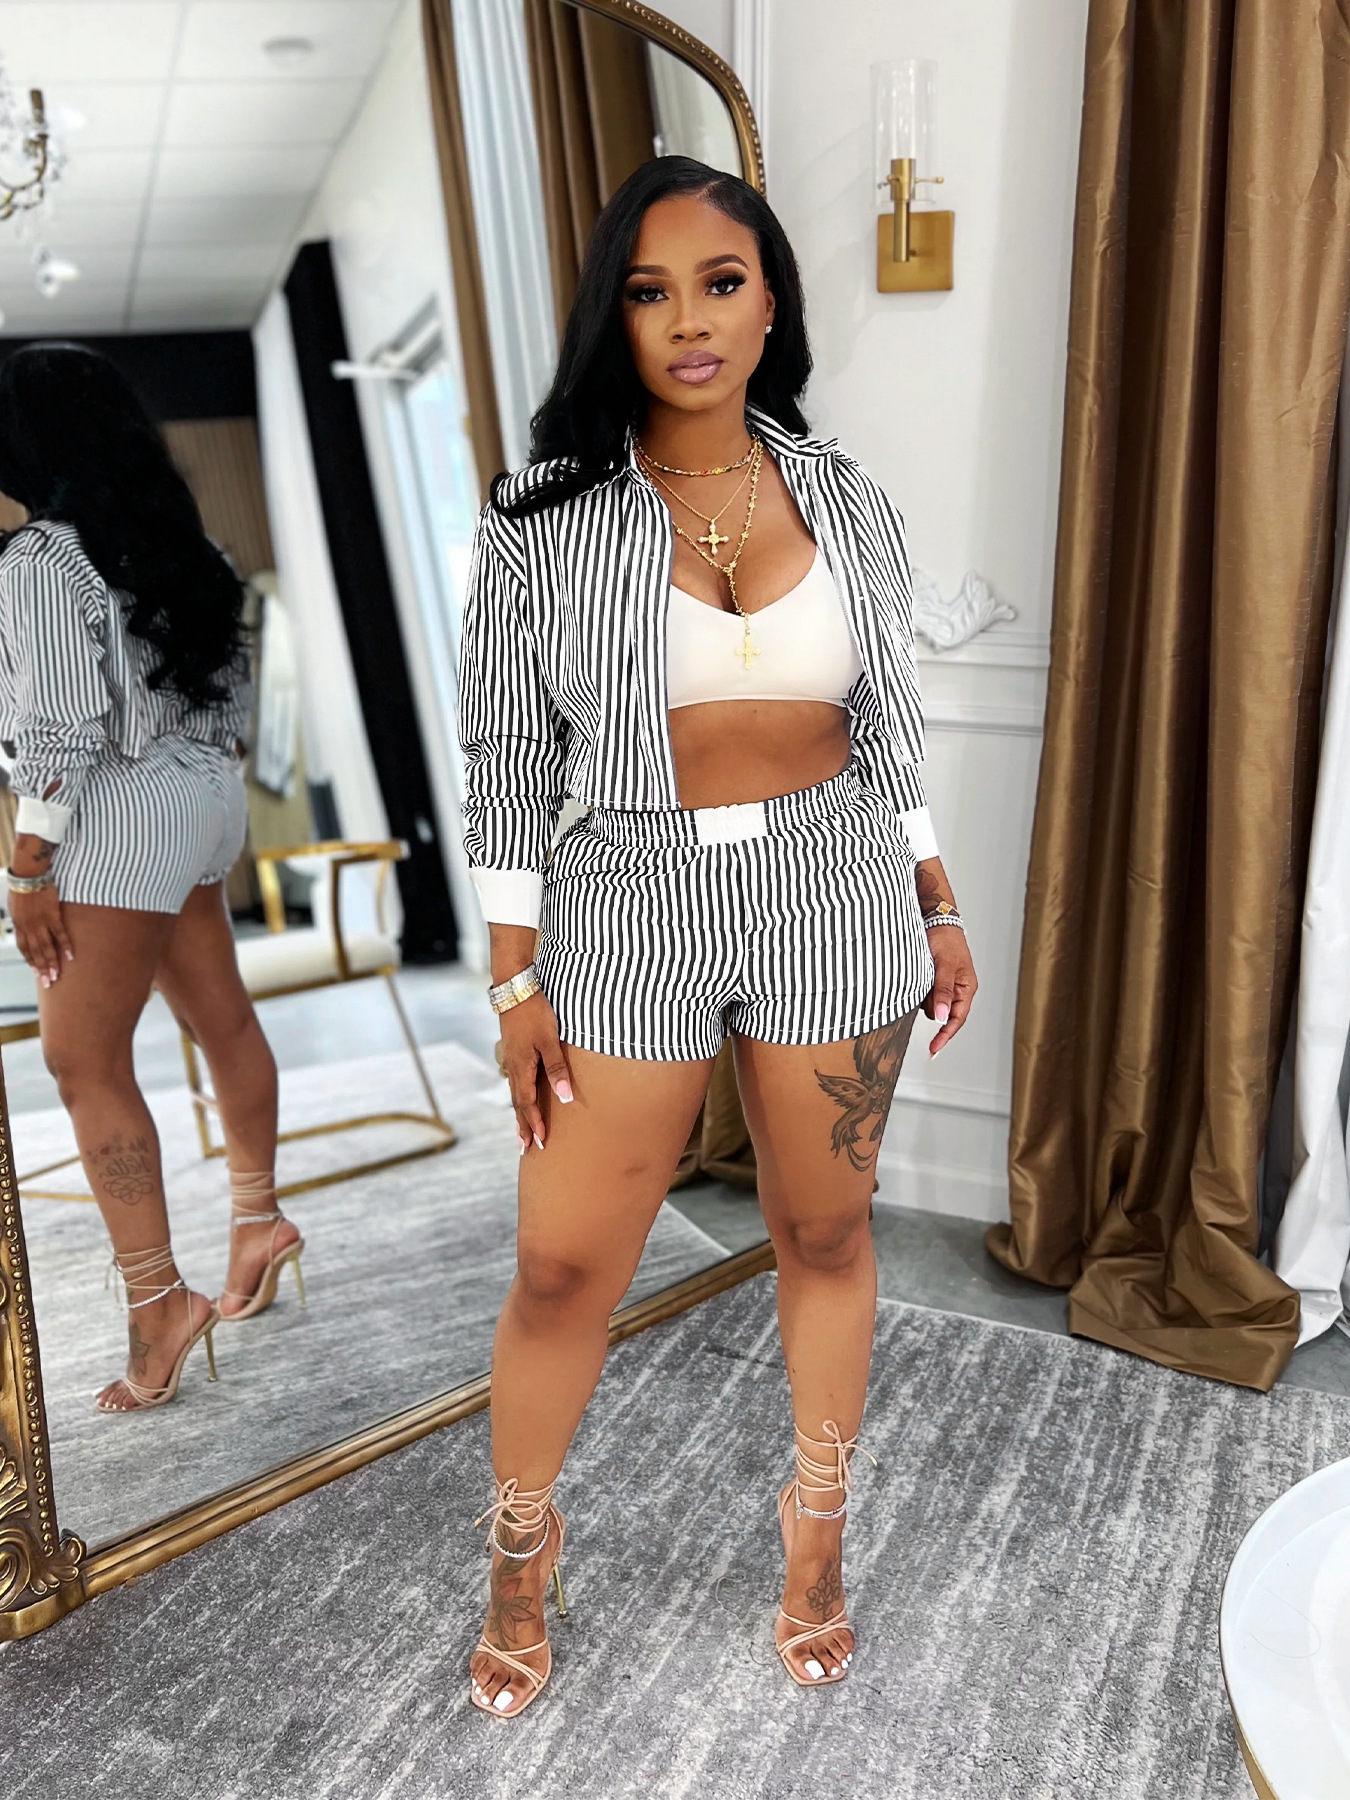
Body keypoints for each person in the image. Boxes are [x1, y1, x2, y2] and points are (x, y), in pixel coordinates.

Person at [456, 158, 977, 1715]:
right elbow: (506, 752)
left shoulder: (848, 500)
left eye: (721, 283)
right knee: (563, 1264)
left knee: (823, 1234)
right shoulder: (541, 520)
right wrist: (514, 975)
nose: (688, 320)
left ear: (768, 306)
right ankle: (519, 1549)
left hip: (834, 882)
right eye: (649, 290)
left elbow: (887, 721)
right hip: (628, 892)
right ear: (612, 318)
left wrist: (937, 897)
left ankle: (815, 1535)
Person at [0, 343, 303, 1413]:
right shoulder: (187, 542)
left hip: (121, 811)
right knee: (221, 1016)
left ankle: (157, 1301)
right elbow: (230, 698)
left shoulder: (41, 558)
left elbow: (57, 725)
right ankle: (258, 1218)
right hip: (203, 796)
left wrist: (29, 864)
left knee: (80, 1057)